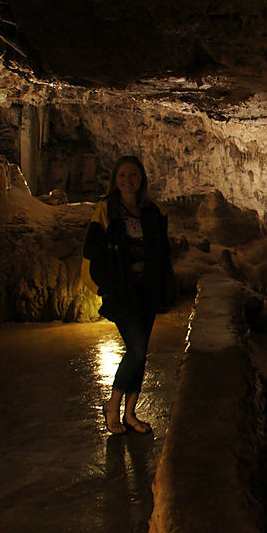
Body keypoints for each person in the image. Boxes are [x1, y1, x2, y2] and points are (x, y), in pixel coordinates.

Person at [82, 156, 175, 434]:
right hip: (122, 291)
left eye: (133, 175)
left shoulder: (152, 211)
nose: (127, 180)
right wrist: (105, 283)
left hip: (146, 290)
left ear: (141, 179)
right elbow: (93, 249)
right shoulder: (106, 210)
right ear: (115, 179)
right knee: (135, 349)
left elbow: (162, 251)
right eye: (122, 175)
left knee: (141, 352)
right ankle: (113, 406)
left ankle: (131, 414)